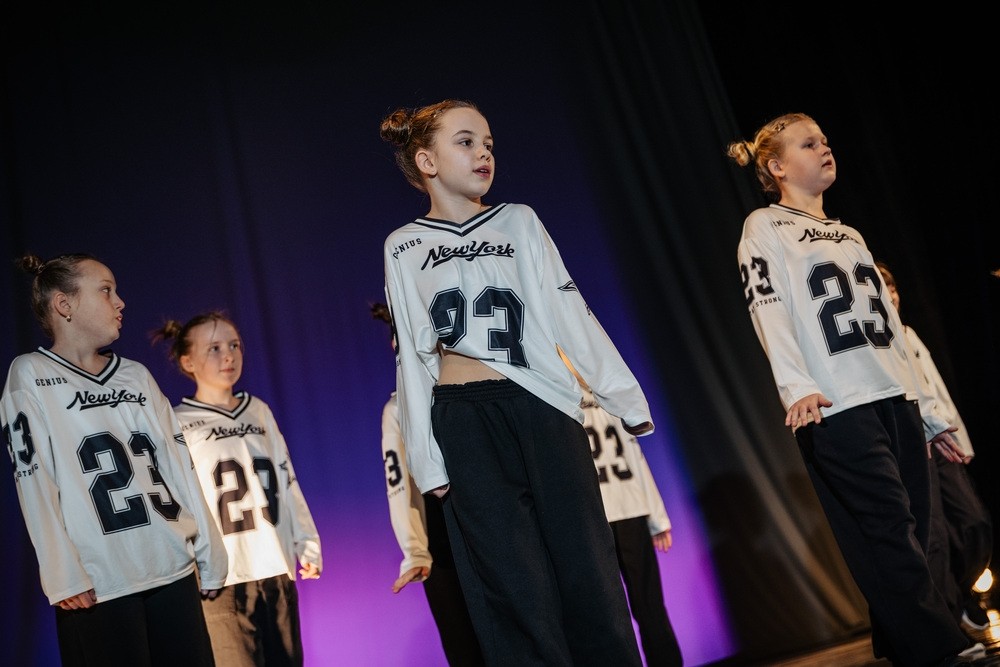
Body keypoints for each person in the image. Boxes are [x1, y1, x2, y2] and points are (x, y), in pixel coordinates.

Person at [380, 99, 651, 666]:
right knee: (513, 592)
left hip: (543, 407)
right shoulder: (403, 245)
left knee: (590, 574)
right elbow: (413, 358)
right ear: (426, 161)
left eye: (489, 144)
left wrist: (623, 395)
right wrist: (428, 461)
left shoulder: (519, 220)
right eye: (466, 142)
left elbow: (568, 310)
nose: (484, 153)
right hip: (465, 421)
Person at [728, 113, 984, 666]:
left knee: (913, 530)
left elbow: (893, 332)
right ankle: (939, 647)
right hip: (837, 404)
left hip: (895, 398)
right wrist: (796, 386)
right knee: (887, 530)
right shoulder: (765, 226)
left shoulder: (851, 235)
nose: (825, 148)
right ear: (776, 166)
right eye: (808, 143)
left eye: (824, 140)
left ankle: (905, 644)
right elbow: (768, 308)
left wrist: (928, 412)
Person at [1, 252, 227, 667]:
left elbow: (180, 466)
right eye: (106, 291)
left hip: (172, 568)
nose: (120, 302)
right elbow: (33, 480)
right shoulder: (29, 374)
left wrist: (210, 549)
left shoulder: (136, 375)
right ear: (64, 304)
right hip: (100, 585)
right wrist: (62, 572)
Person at [152, 311, 322, 666]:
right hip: (224, 577)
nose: (228, 355)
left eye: (234, 345)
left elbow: (286, 477)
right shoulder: (178, 421)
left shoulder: (258, 410)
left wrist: (306, 541)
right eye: (214, 348)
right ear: (187, 361)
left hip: (274, 567)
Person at [876, 261, 994, 631]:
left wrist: (961, 438)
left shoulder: (909, 333)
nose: (891, 294)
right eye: (882, 287)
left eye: (893, 287)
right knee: (936, 533)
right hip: (918, 441)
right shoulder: (878, 339)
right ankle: (949, 618)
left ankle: (960, 590)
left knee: (975, 521)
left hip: (942, 437)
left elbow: (936, 389)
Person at [372, 301, 485, 666]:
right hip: (443, 550)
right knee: (465, 649)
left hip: (494, 537)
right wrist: (416, 551)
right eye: (399, 336)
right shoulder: (396, 410)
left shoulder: (474, 389)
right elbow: (399, 486)